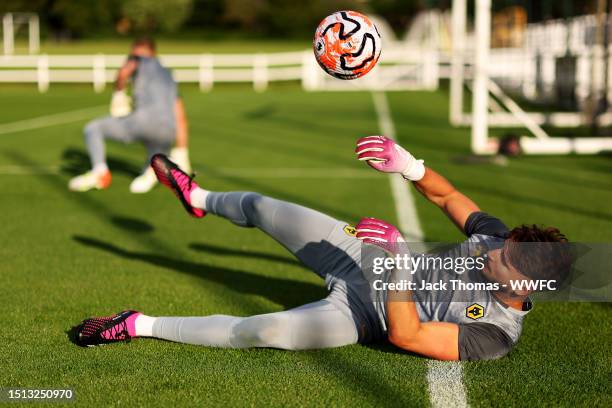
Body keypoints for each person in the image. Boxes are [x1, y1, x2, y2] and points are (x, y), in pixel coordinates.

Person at [73, 137, 571, 361]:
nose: (494, 250)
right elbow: (446, 196)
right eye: (504, 242)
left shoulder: (495, 335)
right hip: (359, 255)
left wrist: (395, 265)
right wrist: (410, 166)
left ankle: (137, 323)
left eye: (504, 257)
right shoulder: (498, 240)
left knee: (264, 331)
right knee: (265, 207)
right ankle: (196, 197)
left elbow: (407, 334)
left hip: (363, 312)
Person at [68, 37, 191, 194]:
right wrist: (182, 149)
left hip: (142, 122)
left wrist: (118, 93)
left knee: (93, 128)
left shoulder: (138, 59)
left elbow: (124, 73)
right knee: (154, 157)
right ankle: (152, 170)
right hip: (167, 130)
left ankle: (99, 173)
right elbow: (180, 114)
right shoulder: (168, 74)